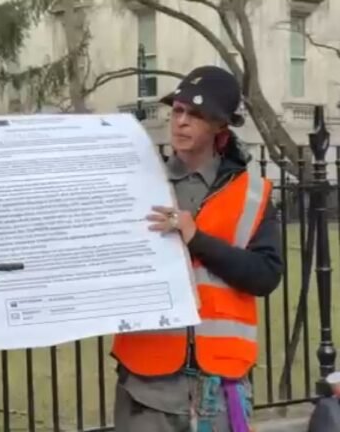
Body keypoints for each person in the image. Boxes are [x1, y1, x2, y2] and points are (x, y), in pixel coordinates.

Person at [111, 66, 283, 432]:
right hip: (146, 384)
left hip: (220, 387)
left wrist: (197, 239)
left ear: (221, 126)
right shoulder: (137, 184)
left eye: (196, 114)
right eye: (177, 111)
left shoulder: (254, 193)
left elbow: (265, 277)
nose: (182, 122)